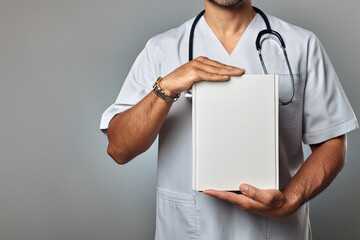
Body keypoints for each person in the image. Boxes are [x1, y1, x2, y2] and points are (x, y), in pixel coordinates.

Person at [100, 0, 358, 239]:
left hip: (275, 231)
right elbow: (120, 149)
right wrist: (166, 87)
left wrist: (290, 199)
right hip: (187, 228)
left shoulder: (301, 45)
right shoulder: (161, 49)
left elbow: (332, 143)